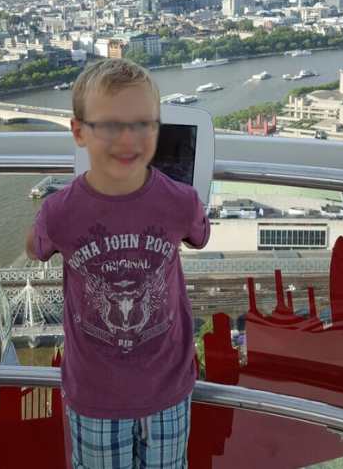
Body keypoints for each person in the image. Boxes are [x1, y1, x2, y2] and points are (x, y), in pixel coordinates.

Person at [25, 58, 210, 469]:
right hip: (153, 386)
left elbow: (35, 248)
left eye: (142, 124)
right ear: (78, 132)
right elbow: (199, 236)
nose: (128, 138)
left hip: (110, 392)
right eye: (110, 125)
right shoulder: (181, 201)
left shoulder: (59, 212)